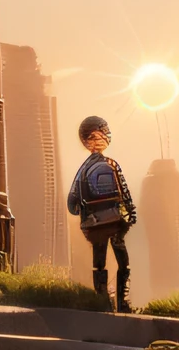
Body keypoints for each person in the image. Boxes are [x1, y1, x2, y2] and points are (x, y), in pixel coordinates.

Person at [66, 113, 136, 312]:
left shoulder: (86, 169)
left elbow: (72, 202)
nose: (106, 136)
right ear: (91, 138)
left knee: (103, 261)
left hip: (97, 223)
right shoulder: (109, 165)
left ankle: (105, 300)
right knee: (119, 261)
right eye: (102, 133)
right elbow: (124, 192)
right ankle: (120, 301)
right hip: (111, 221)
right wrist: (130, 213)